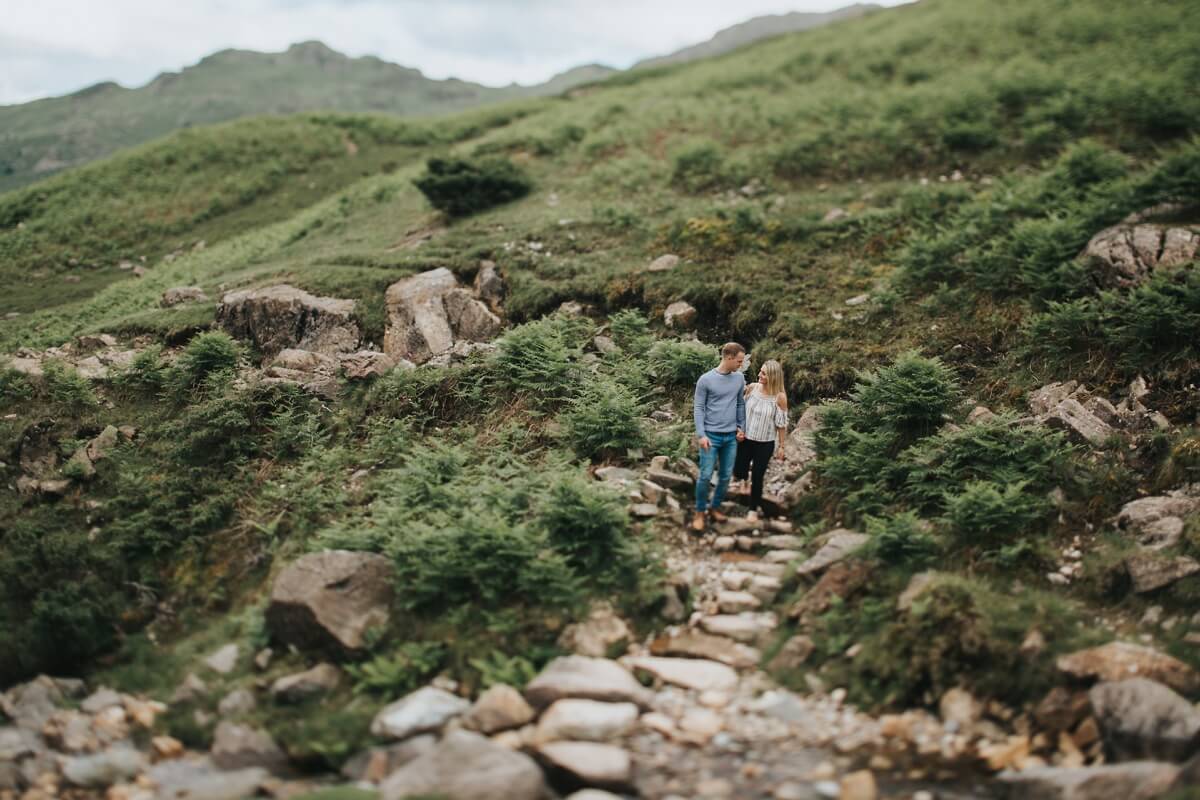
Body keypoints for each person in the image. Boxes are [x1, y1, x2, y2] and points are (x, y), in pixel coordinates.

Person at [692, 342, 747, 532]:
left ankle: (714, 508)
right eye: (739, 361)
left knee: (724, 477)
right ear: (729, 357)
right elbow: (698, 409)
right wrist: (701, 435)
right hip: (710, 437)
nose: (741, 364)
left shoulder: (739, 378)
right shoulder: (705, 380)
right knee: (706, 476)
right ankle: (699, 513)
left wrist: (742, 427)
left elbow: (740, 404)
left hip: (731, 437)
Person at [732, 359, 789, 521]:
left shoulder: (779, 397)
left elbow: (781, 424)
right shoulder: (751, 388)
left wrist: (782, 446)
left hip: (765, 443)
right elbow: (738, 410)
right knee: (738, 470)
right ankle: (743, 481)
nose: (759, 374)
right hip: (745, 439)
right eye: (760, 371)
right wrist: (737, 428)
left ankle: (753, 509)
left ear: (772, 376)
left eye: (763, 373)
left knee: (757, 476)